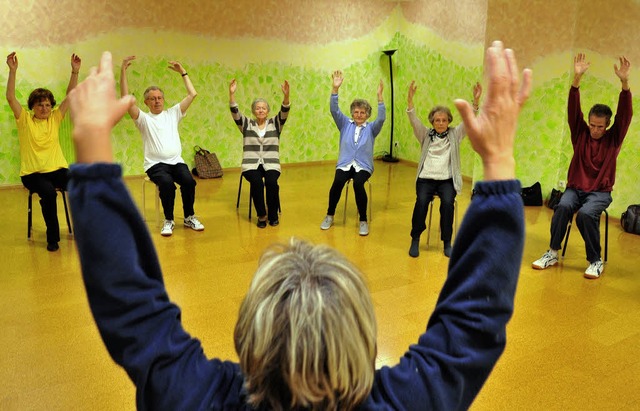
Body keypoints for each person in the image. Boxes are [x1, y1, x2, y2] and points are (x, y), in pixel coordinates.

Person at [67, 42, 530, 410]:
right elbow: (473, 323)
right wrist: (500, 158)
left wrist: (90, 152)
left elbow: (133, 315)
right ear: (365, 344)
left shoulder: (196, 399)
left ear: (246, 342)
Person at [532, 53, 632, 279]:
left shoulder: (613, 139)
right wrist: (576, 79)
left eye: (600, 126)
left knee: (585, 215)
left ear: (607, 126)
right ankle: (552, 252)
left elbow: (625, 116)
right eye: (592, 125)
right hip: (575, 189)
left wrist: (625, 84)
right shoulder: (580, 134)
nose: (595, 130)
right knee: (563, 207)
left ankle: (595, 260)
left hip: (600, 193)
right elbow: (572, 110)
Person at [5, 51, 81, 252]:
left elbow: (70, 96)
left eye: (48, 104)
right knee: (48, 193)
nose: (45, 108)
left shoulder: (55, 118)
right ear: (33, 106)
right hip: (33, 174)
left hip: (57, 169)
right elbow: (11, 97)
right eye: (40, 105)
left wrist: (74, 72)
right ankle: (52, 238)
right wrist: (12, 71)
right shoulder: (25, 120)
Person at [120, 55, 204, 236]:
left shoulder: (173, 113)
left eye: (159, 98)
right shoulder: (143, 119)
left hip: (176, 162)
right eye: (152, 98)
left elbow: (193, 94)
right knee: (166, 184)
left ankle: (189, 217)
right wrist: (123, 71)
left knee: (189, 181)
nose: (157, 101)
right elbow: (126, 99)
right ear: (146, 102)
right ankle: (169, 220)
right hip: (155, 165)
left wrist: (183, 73)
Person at [406, 81, 482, 258]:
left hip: (447, 180)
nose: (440, 123)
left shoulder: (455, 135)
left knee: (448, 203)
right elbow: (413, 119)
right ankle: (415, 238)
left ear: (449, 121)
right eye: (437, 120)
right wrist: (410, 100)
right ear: (432, 122)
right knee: (421, 202)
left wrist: (475, 102)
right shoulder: (425, 134)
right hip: (426, 178)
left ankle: (447, 241)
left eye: (444, 120)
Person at [320, 70, 385, 236]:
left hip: (363, 166)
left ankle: (363, 220)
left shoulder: (371, 128)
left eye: (363, 112)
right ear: (352, 113)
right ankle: (329, 215)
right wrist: (335, 89)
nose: (359, 115)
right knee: (337, 182)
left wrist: (380, 98)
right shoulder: (345, 124)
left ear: (367, 114)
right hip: (345, 163)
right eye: (356, 112)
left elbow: (381, 119)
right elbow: (334, 110)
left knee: (358, 184)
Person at [229, 78, 290, 228]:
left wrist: (286, 96)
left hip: (271, 163)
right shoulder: (247, 124)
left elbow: (284, 111)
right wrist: (232, 95)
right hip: (251, 164)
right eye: (258, 108)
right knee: (256, 182)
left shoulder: (275, 124)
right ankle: (262, 215)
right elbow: (235, 112)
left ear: (268, 111)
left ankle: (273, 215)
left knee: (271, 183)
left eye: (263, 108)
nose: (261, 110)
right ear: (254, 111)